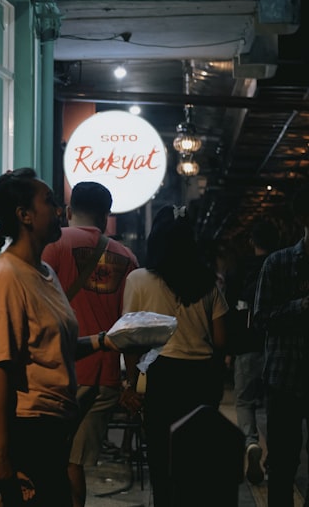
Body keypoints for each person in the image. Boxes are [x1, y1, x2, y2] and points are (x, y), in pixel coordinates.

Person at [0, 168, 114, 506]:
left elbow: (50, 349)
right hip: (23, 426)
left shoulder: (44, 272)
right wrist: (1, 454)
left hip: (49, 424)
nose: (59, 209)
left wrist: (104, 341)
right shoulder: (5, 279)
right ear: (24, 216)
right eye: (49, 202)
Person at [121, 205, 228, 507]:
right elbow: (221, 339)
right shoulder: (208, 282)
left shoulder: (138, 280)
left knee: (160, 455)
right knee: (195, 457)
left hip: (161, 374)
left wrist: (130, 383)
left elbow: (129, 338)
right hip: (201, 376)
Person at [42, 181, 138, 507]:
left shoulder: (52, 246)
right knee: (74, 462)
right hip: (104, 378)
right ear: (107, 216)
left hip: (57, 372)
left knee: (50, 459)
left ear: (68, 211)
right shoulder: (126, 258)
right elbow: (132, 326)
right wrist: (133, 380)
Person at [252, 186, 309, 507]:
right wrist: (300, 306)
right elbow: (261, 319)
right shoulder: (279, 263)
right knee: (283, 462)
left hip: (288, 376)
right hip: (285, 378)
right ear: (303, 219)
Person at [224, 220, 278, 485]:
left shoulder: (239, 270)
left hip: (245, 346)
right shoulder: (283, 267)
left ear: (252, 242)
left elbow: (230, 313)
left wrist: (229, 350)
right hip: (277, 347)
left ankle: (251, 442)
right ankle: (275, 454)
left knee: (244, 401)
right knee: (273, 403)